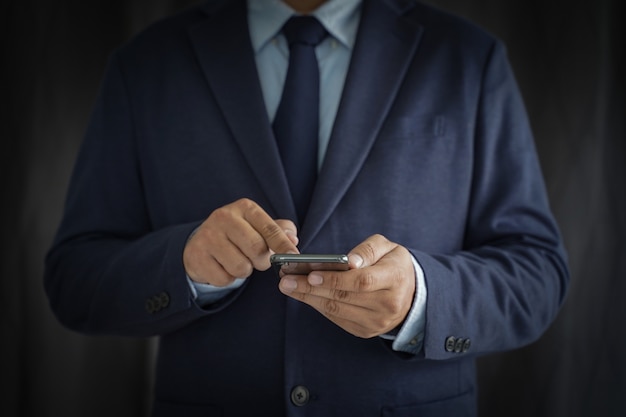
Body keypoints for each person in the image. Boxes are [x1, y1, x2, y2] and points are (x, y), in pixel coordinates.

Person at [44, 0, 570, 415]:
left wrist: (422, 299)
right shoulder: (147, 63)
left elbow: (537, 271)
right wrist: (183, 264)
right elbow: (75, 279)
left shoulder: (466, 58)